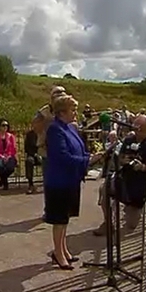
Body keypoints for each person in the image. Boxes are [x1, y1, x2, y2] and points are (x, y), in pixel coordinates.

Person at [44, 94, 103, 270]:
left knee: (65, 218)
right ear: (62, 112)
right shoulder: (55, 129)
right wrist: (87, 161)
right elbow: (63, 156)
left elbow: (78, 149)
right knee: (59, 219)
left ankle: (63, 250)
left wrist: (89, 156)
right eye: (73, 110)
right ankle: (58, 253)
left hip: (70, 180)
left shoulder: (69, 128)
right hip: (59, 181)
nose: (76, 113)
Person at [94, 114, 146, 236]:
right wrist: (123, 160)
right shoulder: (129, 140)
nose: (137, 131)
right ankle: (108, 223)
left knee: (131, 225)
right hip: (124, 177)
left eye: (140, 128)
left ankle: (133, 209)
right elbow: (120, 157)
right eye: (135, 127)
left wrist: (144, 167)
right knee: (105, 189)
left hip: (140, 184)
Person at [0, 118, 18, 189]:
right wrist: (1, 156)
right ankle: (5, 182)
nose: (5, 127)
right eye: (3, 125)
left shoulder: (11, 136)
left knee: (10, 168)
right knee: (0, 166)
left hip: (10, 156)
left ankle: (2, 179)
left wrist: (8, 156)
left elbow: (13, 148)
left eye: (6, 125)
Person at [24, 128, 41, 194]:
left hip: (44, 154)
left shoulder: (46, 133)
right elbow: (27, 148)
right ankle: (30, 184)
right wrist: (35, 154)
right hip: (33, 155)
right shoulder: (30, 134)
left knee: (49, 161)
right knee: (29, 161)